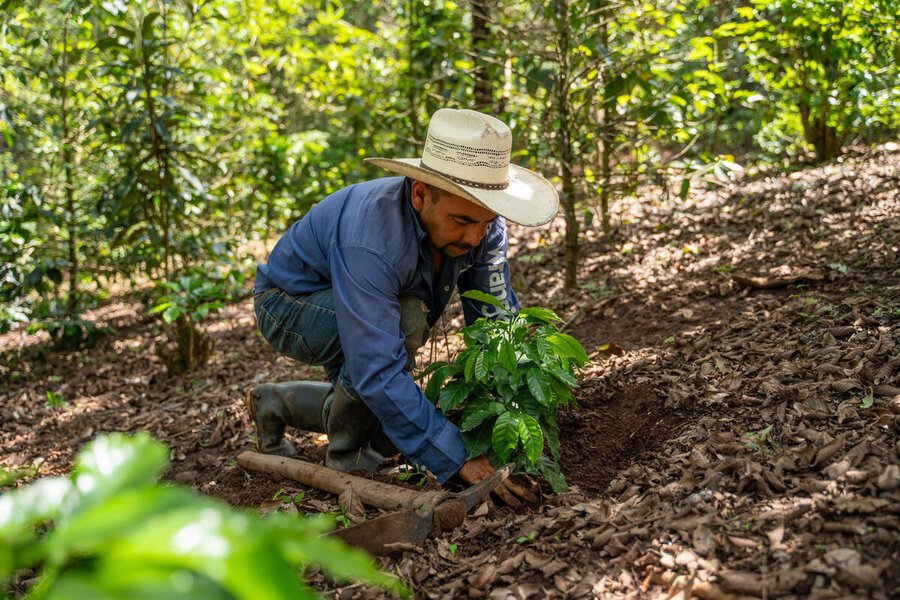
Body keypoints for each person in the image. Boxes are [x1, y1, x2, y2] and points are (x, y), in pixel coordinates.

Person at [247, 108, 558, 505]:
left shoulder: (482, 227)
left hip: (358, 303)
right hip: (288, 304)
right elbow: (376, 369)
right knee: (402, 330)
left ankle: (275, 402)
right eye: (462, 220)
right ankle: (349, 461)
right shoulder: (371, 238)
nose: (475, 236)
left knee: (383, 404)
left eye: (486, 221)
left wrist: (516, 415)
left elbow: (495, 321)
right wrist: (459, 458)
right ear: (420, 194)